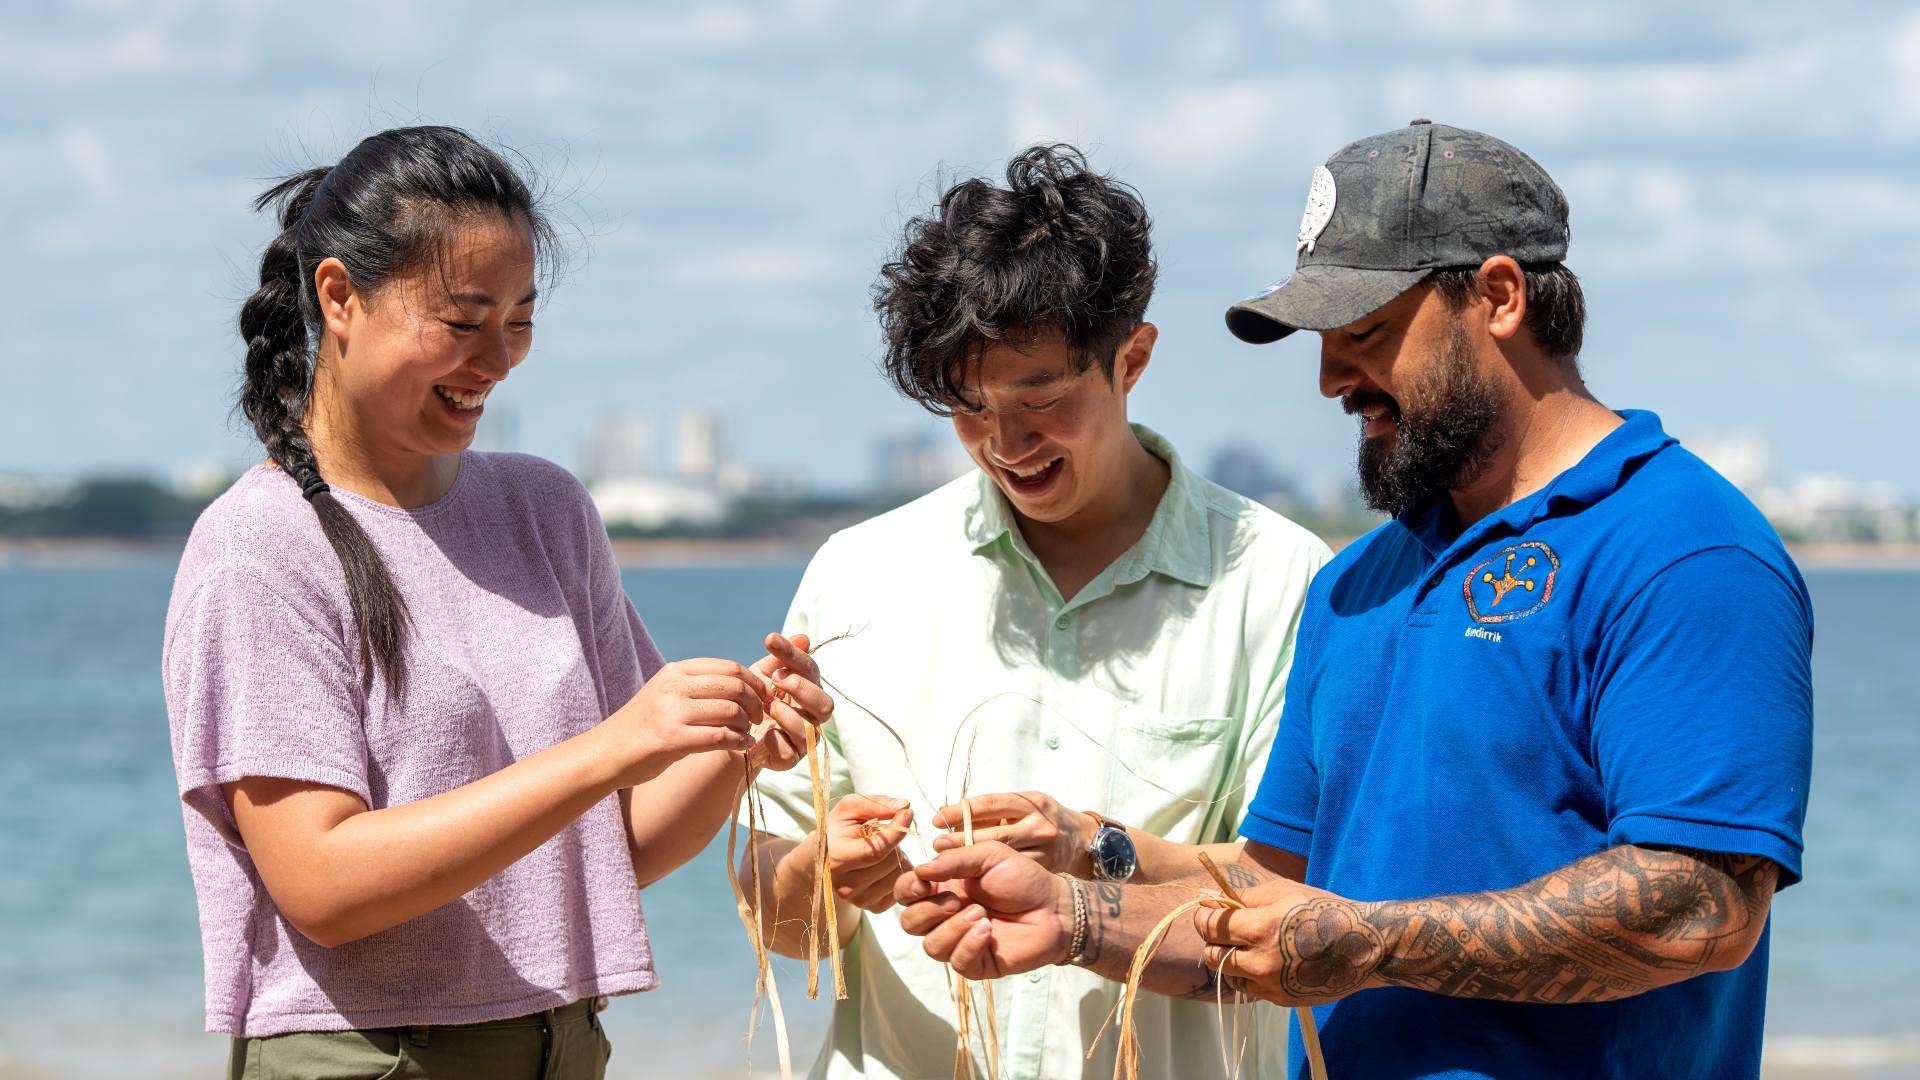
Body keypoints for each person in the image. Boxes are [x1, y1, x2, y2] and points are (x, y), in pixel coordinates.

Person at [893, 121, 1814, 1080]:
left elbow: (1702, 907)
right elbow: (1274, 893)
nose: (1332, 378)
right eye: (1321, 342)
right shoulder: (1355, 584)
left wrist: (1370, 942)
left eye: (1365, 335)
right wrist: (1078, 899)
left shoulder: (1683, 548)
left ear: (1498, 297)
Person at [162, 126, 833, 1080]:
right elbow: (321, 882)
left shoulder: (543, 508)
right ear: (340, 296)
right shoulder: (259, 547)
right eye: (463, 320)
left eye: (519, 320)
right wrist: (609, 749)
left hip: (562, 1044)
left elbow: (616, 847)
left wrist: (733, 745)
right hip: (364, 1058)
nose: (499, 358)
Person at [739, 144, 1329, 1078]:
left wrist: (1094, 854)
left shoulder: (1279, 582)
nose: (1005, 445)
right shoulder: (859, 575)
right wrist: (827, 875)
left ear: (1131, 359)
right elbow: (783, 923)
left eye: (1040, 398)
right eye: (967, 408)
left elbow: (1300, 908)